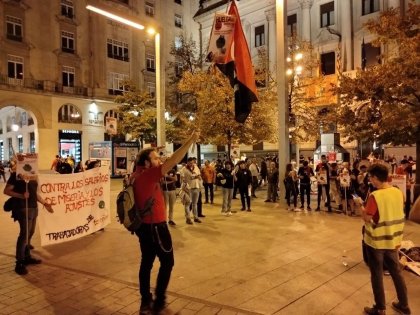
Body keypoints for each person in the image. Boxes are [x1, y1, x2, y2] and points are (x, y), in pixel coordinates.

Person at [131, 131, 199, 314]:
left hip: (144, 227)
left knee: (146, 263)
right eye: (155, 158)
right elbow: (174, 160)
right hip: (156, 227)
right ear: (146, 163)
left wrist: (153, 151)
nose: (159, 161)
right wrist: (190, 140)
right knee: (167, 262)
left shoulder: (136, 175)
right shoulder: (147, 175)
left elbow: (164, 160)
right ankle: (159, 300)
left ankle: (146, 300)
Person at [355, 164, 411, 315]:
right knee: (396, 272)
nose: (370, 181)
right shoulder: (398, 192)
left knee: (377, 274)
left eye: (370, 178)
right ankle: (404, 305)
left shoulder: (376, 196)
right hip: (393, 240)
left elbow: (367, 218)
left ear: (374, 177)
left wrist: (360, 205)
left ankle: (380, 308)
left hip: (376, 243)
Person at [3, 159, 54, 275]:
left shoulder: (33, 176)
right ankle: (19, 262)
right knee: (24, 234)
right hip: (22, 208)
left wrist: (45, 203)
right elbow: (6, 191)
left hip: (33, 207)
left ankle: (26, 256)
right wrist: (21, 195)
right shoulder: (16, 176)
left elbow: (34, 193)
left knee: (30, 233)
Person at [180, 157, 202, 224]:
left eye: (192, 162)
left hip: (196, 187)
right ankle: (188, 218)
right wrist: (185, 180)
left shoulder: (196, 167)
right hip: (188, 189)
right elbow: (182, 178)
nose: (191, 164)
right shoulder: (184, 169)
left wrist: (199, 178)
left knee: (195, 203)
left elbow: (199, 175)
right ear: (187, 162)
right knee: (188, 204)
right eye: (190, 163)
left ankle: (196, 217)